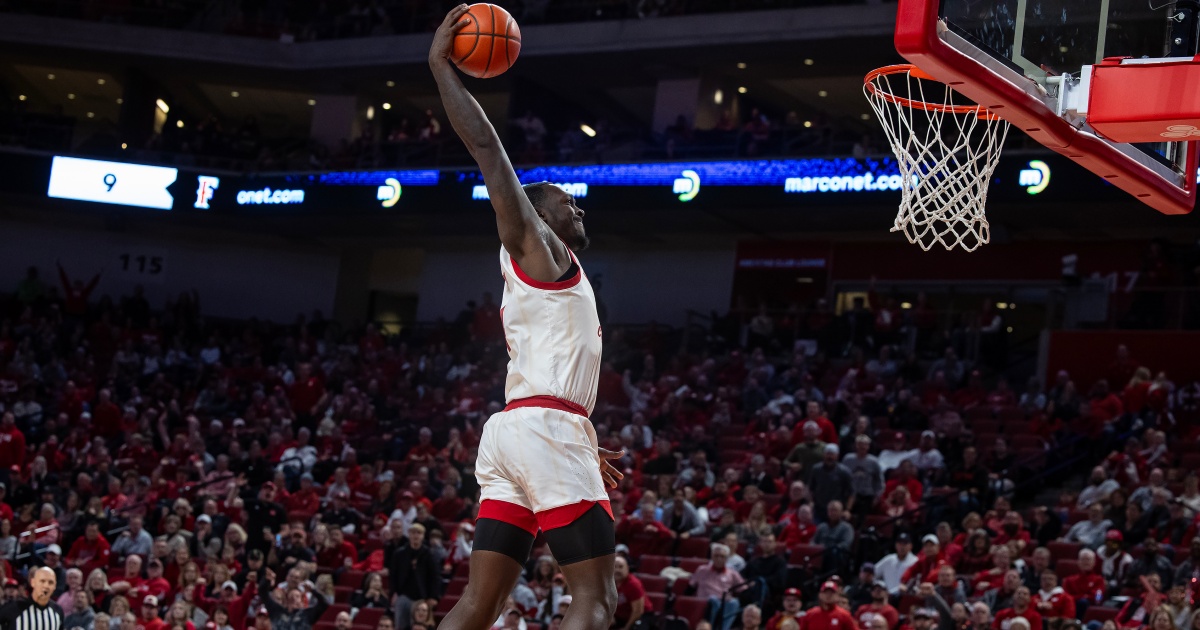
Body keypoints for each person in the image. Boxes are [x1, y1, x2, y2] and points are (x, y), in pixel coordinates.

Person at [428, 7, 625, 630]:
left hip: (517, 431)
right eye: (569, 203)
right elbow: (489, 152)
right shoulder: (538, 248)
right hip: (544, 430)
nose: (580, 208)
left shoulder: (541, 269)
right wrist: (441, 68)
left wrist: (575, 435)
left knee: (479, 605)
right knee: (596, 601)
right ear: (540, 216)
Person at [689, 544, 743, 630]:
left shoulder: (732, 573)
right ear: (712, 557)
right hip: (706, 601)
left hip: (725, 601)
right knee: (713, 600)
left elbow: (742, 588)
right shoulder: (702, 570)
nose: (719, 559)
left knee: (734, 602)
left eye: (722, 556)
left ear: (727, 558)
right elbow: (690, 587)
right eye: (716, 556)